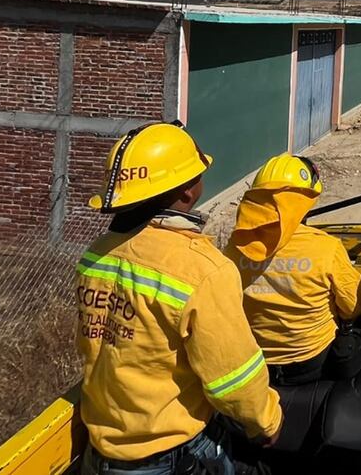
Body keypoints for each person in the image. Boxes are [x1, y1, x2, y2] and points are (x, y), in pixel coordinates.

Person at [77, 122, 282, 475]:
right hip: (174, 456)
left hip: (102, 453)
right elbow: (233, 381)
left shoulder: (95, 256)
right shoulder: (202, 270)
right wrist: (267, 422)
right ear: (187, 192)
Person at [224, 153, 361, 385]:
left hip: (256, 364)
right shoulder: (326, 248)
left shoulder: (235, 246)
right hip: (315, 358)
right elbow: (353, 306)